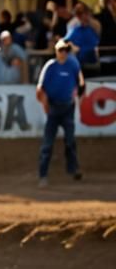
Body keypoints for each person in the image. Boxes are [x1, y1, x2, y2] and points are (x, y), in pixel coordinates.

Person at [36, 38, 83, 187]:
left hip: (68, 107)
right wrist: (45, 105)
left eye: (65, 50)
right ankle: (43, 175)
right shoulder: (50, 66)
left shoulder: (73, 64)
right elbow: (40, 89)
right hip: (54, 108)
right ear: (56, 51)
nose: (63, 53)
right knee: (47, 144)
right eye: (60, 50)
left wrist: (78, 97)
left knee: (70, 140)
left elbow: (81, 83)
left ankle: (73, 169)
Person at [65, 3, 100, 74]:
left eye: (84, 13)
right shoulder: (72, 25)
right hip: (77, 61)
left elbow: (97, 39)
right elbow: (67, 41)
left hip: (92, 61)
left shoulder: (95, 24)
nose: (82, 16)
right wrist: (73, 47)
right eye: (79, 14)